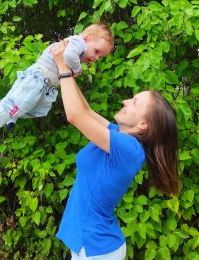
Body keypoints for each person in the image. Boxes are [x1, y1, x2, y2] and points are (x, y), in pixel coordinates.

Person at [51, 41, 179, 260]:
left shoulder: (129, 149)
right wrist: (71, 73)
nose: (125, 101)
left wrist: (62, 67)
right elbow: (86, 111)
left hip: (98, 249)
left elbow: (75, 115)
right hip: (90, 243)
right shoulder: (117, 137)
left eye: (135, 102)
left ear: (143, 125)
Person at [0, 23, 113, 142]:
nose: (96, 57)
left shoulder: (79, 48)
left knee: (31, 105)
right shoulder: (78, 43)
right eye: (96, 51)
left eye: (100, 57)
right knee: (18, 102)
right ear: (86, 38)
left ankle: (12, 116)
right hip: (39, 77)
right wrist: (77, 69)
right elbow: (68, 56)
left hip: (45, 83)